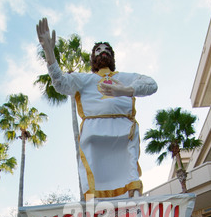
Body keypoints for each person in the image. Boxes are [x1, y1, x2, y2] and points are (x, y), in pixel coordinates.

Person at [36, 18, 158, 200]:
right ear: (93, 58)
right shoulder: (84, 79)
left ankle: (135, 202)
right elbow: (60, 83)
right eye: (99, 50)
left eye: (107, 50)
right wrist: (49, 52)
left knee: (131, 171)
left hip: (124, 131)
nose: (103, 52)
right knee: (93, 180)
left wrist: (125, 90)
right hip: (94, 134)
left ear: (112, 57)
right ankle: (96, 210)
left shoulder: (125, 77)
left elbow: (152, 84)